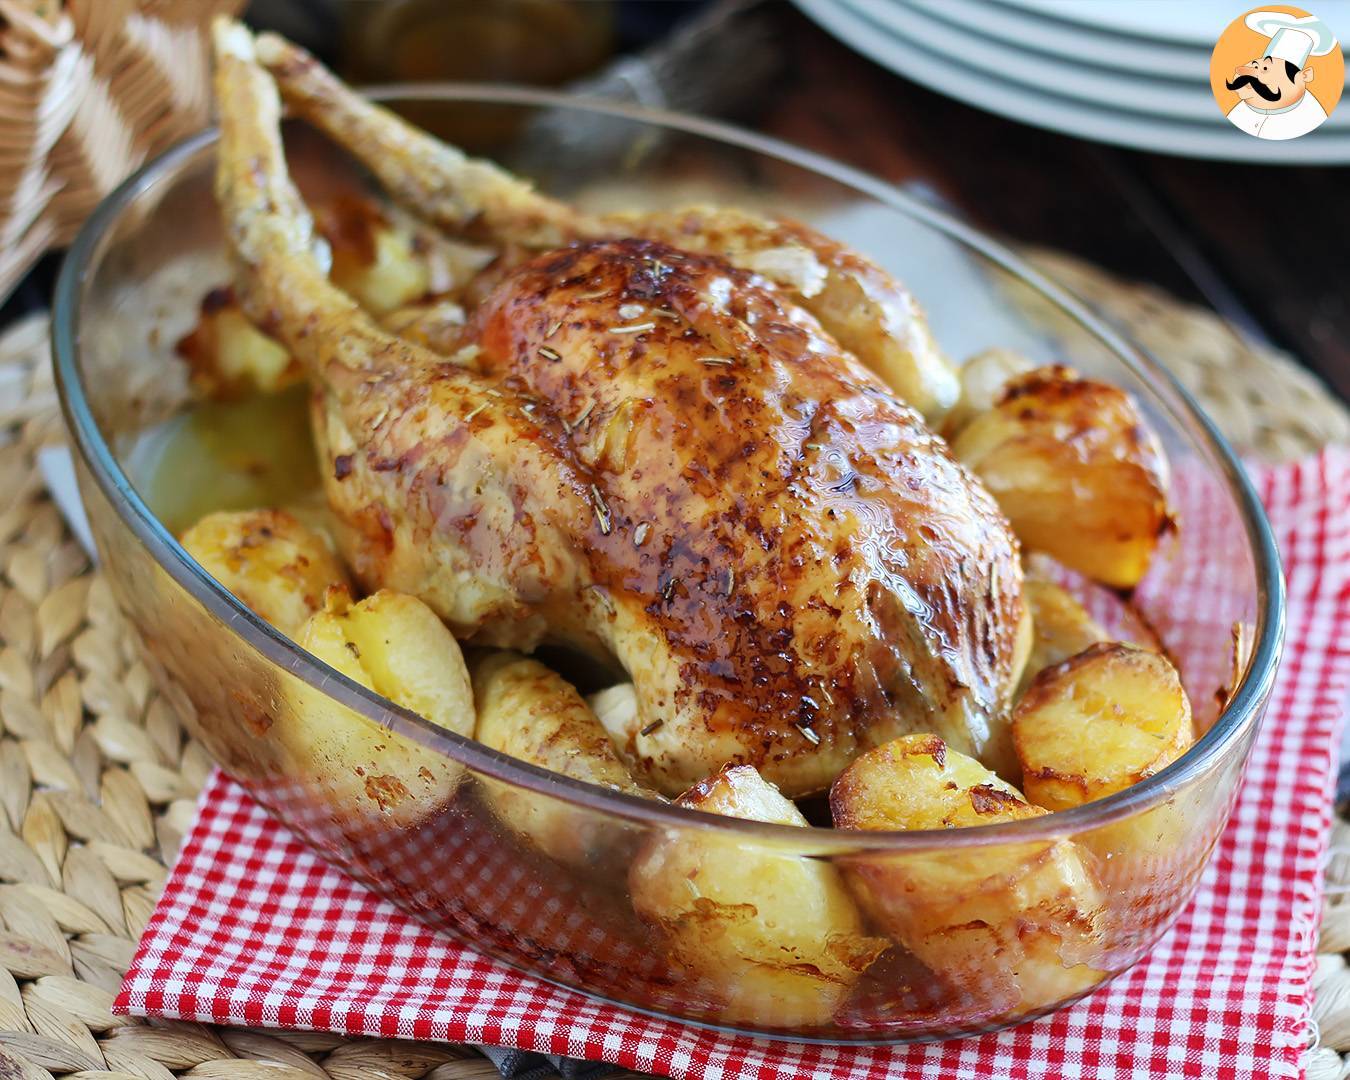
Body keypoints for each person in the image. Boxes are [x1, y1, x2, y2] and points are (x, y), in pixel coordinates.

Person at [1224, 10, 1338, 140]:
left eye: (1266, 68)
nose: (1249, 73)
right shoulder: (1240, 110)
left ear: (1304, 76)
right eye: (1255, 65)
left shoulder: (1310, 119)